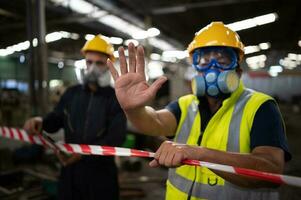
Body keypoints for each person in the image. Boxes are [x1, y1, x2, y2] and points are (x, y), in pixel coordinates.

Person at [107, 22, 291, 200]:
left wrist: (199, 153)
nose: (212, 68)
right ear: (195, 67)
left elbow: (272, 170)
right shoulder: (186, 104)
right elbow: (153, 122)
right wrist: (134, 109)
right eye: (203, 60)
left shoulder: (260, 106)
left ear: (239, 71)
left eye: (222, 60)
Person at [24, 35, 126, 200]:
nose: (92, 68)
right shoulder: (72, 93)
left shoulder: (115, 98)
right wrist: (40, 122)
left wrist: (82, 153)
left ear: (109, 66)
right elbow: (55, 120)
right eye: (89, 62)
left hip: (101, 175)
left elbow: (116, 137)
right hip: (70, 173)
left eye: (99, 63)